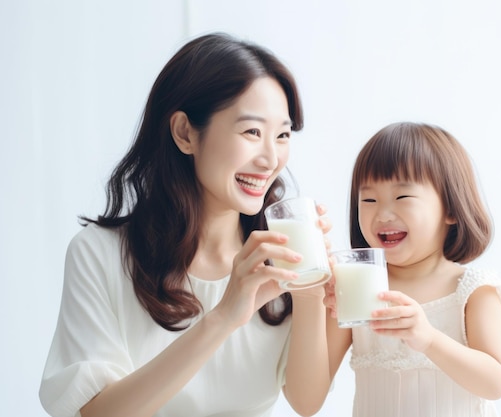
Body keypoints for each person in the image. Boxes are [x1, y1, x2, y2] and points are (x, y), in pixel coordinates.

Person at [39, 32, 332, 417]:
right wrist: (224, 317)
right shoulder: (99, 254)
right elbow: (96, 413)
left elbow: (307, 403)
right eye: (252, 132)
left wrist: (310, 291)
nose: (270, 159)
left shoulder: (280, 254)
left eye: (282, 135)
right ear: (184, 133)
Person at [321, 122, 501, 416]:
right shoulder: (357, 288)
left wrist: (429, 339)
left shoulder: (473, 289)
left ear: (450, 208)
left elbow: (496, 382)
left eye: (403, 197)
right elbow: (307, 397)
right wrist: (312, 297)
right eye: (369, 200)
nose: (383, 214)